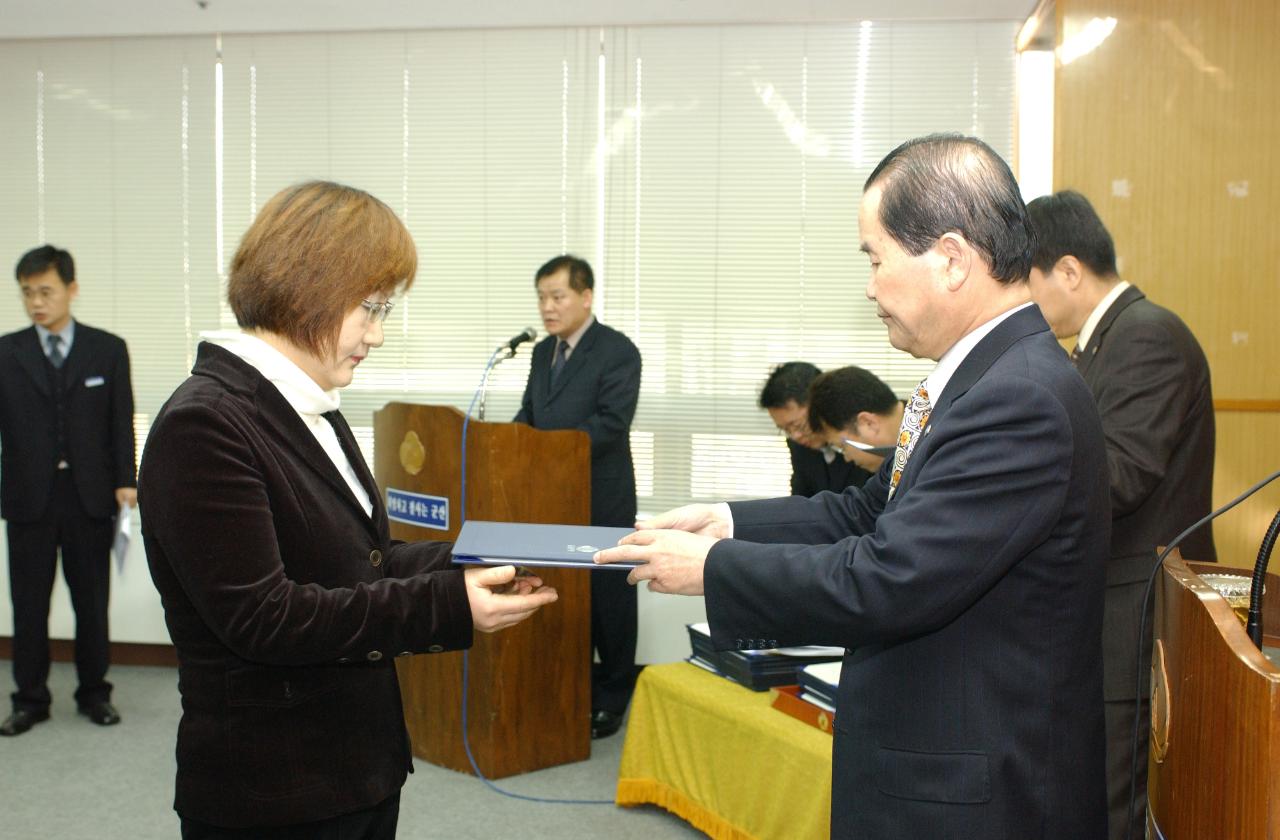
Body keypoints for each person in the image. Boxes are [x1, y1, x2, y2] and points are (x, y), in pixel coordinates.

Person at [597, 134, 1111, 838]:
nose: (869, 284)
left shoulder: (1019, 397)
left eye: (876, 258)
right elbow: (868, 512)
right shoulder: (987, 374)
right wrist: (727, 523)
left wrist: (713, 571)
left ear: (952, 259)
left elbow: (889, 576)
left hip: (977, 794)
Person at [138, 181, 557, 838]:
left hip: (354, 767)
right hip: (274, 792)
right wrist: (454, 606)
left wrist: (488, 553)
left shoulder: (305, 408)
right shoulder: (205, 424)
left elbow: (366, 561)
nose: (378, 335)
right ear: (311, 284)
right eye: (371, 308)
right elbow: (266, 618)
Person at [1026, 189, 1216, 840]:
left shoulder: (1147, 336)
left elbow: (1121, 477)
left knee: (1117, 811)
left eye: (1028, 284)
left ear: (1069, 270)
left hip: (1132, 616)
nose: (1024, 305)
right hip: (1104, 610)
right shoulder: (1103, 342)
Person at [0, 245, 136, 737]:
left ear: (71, 290)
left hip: (90, 497)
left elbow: (121, 423)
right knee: (29, 605)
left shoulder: (107, 349)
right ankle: (29, 699)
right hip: (28, 499)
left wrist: (127, 480)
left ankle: (94, 693)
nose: (36, 302)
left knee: (90, 601)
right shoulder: (6, 353)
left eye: (46, 291)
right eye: (27, 293)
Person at [514, 254, 641, 739]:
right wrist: (502, 446)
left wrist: (548, 451)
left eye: (557, 296)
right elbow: (529, 413)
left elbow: (611, 424)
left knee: (609, 598)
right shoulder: (541, 351)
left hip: (599, 494)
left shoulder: (618, 351)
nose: (547, 307)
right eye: (542, 297)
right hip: (548, 494)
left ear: (585, 298)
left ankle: (612, 695)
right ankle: (572, 687)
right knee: (561, 594)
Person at [758, 362, 873, 495]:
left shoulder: (863, 435)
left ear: (822, 403)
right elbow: (799, 499)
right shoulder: (799, 446)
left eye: (798, 426)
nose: (796, 436)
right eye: (785, 430)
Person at [805, 365, 903, 474]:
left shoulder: (924, 457)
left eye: (842, 447)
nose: (847, 459)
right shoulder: (890, 467)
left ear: (868, 423)